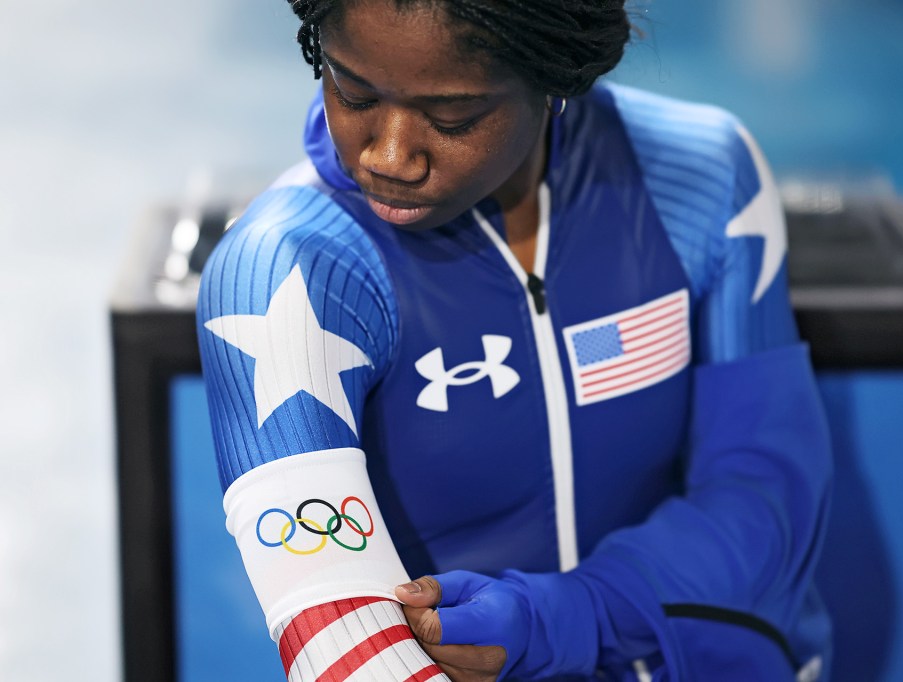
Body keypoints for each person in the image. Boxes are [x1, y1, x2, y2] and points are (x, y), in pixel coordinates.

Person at [196, 0, 834, 680]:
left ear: (554, 77)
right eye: (352, 90)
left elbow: (767, 499)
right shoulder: (287, 270)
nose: (389, 157)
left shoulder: (702, 177)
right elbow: (339, 635)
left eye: (453, 118)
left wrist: (565, 617)